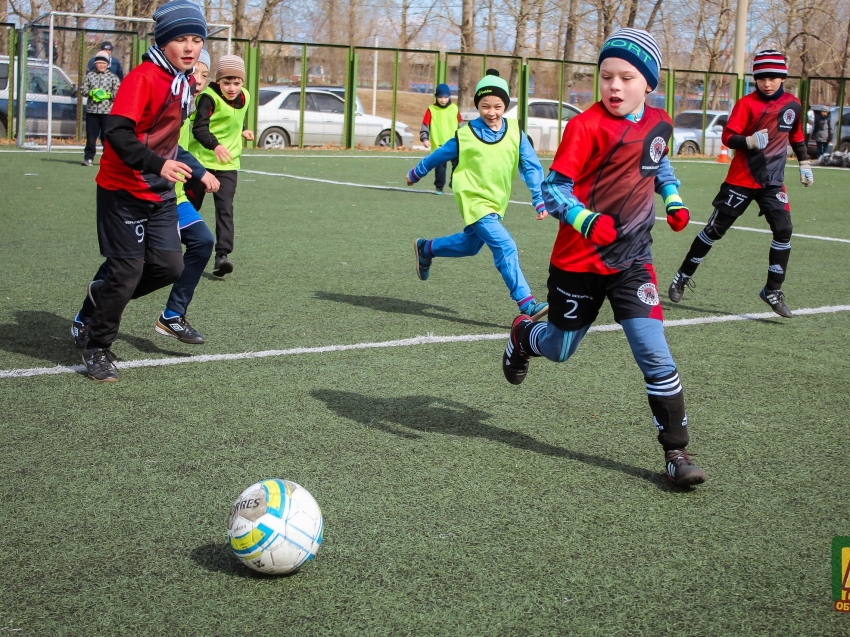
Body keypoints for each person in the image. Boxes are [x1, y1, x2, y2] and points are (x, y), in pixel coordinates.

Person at [501, 29, 706, 487]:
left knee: (654, 354)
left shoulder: (660, 123)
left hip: (634, 260)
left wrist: (671, 197)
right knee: (559, 349)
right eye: (606, 76)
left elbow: (660, 162)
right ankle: (523, 335)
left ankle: (676, 451)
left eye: (626, 77)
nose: (614, 86)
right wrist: (587, 220)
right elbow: (553, 189)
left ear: (648, 83)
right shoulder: (584, 126)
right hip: (578, 264)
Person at [75, 1, 218, 382]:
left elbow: (169, 139)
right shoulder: (144, 77)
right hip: (122, 190)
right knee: (126, 272)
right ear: (163, 42)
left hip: (160, 193)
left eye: (196, 39)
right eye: (181, 39)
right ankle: (98, 347)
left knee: (169, 267)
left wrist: (195, 170)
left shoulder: (184, 82)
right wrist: (157, 164)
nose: (190, 47)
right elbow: (117, 133)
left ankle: (100, 294)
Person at [668, 49, 812, 318]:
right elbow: (728, 136)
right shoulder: (747, 104)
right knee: (713, 232)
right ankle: (683, 275)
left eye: (772, 77)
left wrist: (804, 163)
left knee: (784, 229)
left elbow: (797, 135)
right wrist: (746, 141)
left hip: (772, 182)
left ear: (782, 77)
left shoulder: (793, 105)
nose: (767, 83)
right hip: (741, 181)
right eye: (761, 78)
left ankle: (772, 290)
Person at [406, 69, 550, 321]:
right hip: (473, 199)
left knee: (470, 245)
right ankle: (527, 303)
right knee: (505, 246)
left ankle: (426, 249)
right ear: (477, 106)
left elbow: (531, 167)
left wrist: (538, 198)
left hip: (496, 202)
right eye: (485, 106)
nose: (491, 112)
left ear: (505, 105)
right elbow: (439, 155)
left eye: (497, 106)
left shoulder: (516, 133)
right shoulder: (466, 134)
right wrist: (417, 172)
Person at [184, 54, 254, 277]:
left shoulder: (246, 96)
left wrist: (243, 129)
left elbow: (236, 115)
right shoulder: (208, 98)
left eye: (237, 82)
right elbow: (199, 129)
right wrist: (215, 146)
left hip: (228, 164)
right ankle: (169, 247)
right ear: (218, 81)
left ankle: (222, 256)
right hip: (201, 163)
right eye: (226, 83)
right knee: (190, 207)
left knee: (225, 209)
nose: (232, 88)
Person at [419, 83, 463, 194]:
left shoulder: (454, 109)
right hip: (439, 144)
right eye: (440, 97)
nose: (443, 100)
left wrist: (464, 138)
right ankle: (439, 187)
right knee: (440, 167)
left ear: (449, 97)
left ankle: (455, 182)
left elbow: (461, 125)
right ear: (436, 97)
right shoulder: (431, 109)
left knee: (458, 164)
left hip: (454, 143)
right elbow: (425, 125)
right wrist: (425, 138)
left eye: (445, 97)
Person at [79, 51, 121, 166]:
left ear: (107, 64)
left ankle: (108, 159)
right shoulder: (90, 76)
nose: (101, 65)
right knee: (91, 135)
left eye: (103, 63)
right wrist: (92, 93)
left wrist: (107, 95)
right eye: (99, 63)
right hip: (91, 111)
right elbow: (83, 90)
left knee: (106, 136)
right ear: (95, 64)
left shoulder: (113, 77)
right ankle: (88, 157)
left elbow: (118, 93)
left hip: (107, 112)